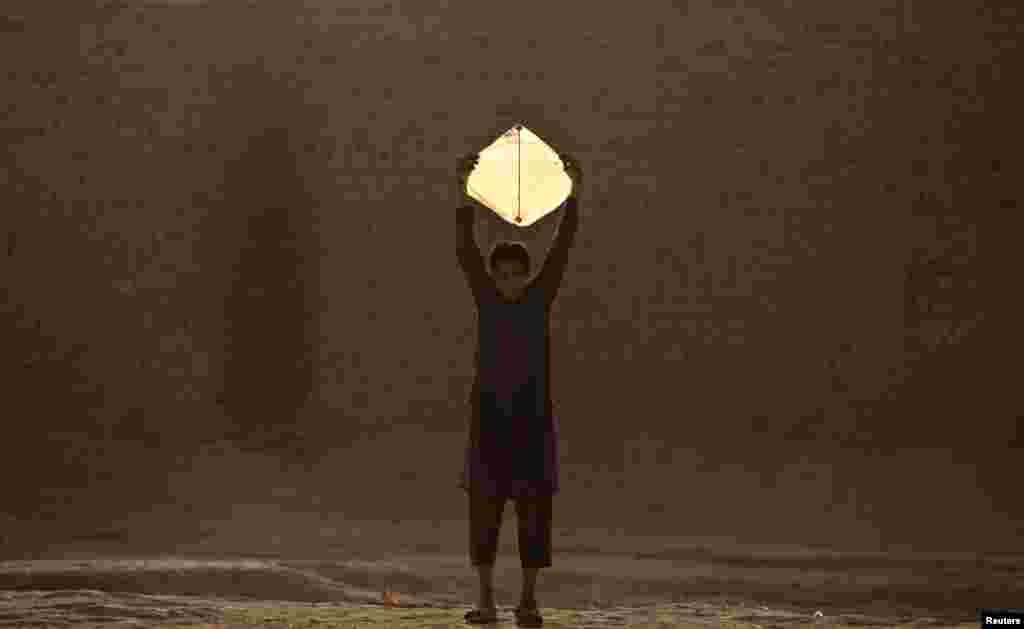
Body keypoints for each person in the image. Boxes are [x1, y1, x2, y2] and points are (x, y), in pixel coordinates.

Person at [455, 150, 581, 627]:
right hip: (488, 423)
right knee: (483, 516)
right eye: (501, 274)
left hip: (531, 423)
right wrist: (463, 186)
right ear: (494, 277)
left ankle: (528, 601)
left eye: (517, 274)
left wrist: (575, 191)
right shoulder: (487, 301)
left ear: (526, 276)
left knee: (534, 516)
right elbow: (465, 250)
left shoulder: (538, 300)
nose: (509, 281)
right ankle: (486, 602)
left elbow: (562, 247)